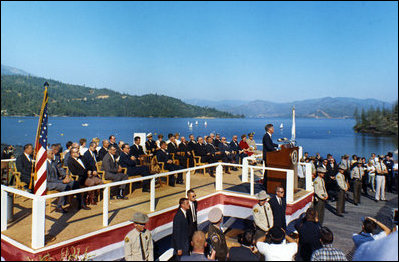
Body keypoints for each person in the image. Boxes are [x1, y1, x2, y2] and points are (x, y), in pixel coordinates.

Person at [47, 149, 78, 213]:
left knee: (74, 183)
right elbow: (48, 179)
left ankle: (76, 202)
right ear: (46, 155)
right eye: (51, 153)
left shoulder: (54, 162)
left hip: (57, 181)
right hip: (49, 183)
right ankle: (59, 206)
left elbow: (60, 170)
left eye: (53, 153)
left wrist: (66, 176)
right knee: (64, 187)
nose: (53, 155)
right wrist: (62, 181)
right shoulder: (44, 165)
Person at [262, 124, 278, 190]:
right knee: (267, 170)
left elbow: (271, 144)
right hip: (267, 156)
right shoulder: (266, 136)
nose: (273, 129)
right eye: (272, 128)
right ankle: (265, 185)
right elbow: (269, 146)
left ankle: (266, 184)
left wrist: (278, 145)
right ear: (269, 129)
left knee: (268, 170)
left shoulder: (268, 136)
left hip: (269, 156)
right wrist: (276, 150)